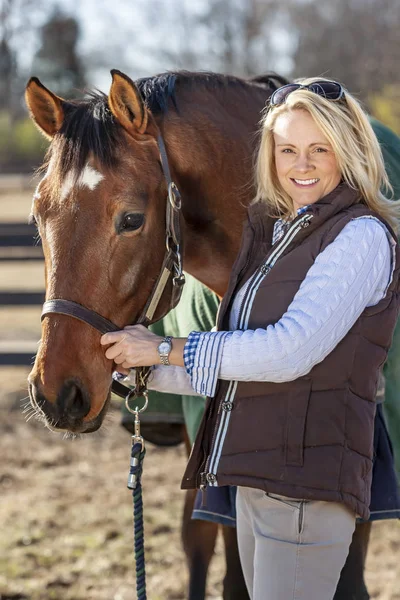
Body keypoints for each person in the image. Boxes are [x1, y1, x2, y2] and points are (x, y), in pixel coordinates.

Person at [101, 78, 400, 599]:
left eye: (319, 149)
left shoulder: (360, 236)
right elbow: (246, 372)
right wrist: (148, 370)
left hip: (306, 488)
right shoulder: (280, 237)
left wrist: (165, 347)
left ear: (347, 151)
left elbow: (289, 353)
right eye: (288, 149)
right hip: (260, 482)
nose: (300, 165)